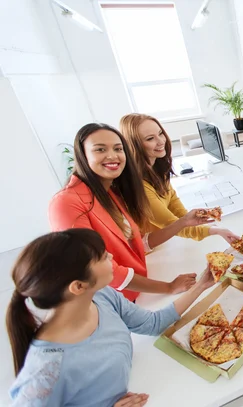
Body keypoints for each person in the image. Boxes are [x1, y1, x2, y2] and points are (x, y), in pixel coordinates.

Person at [6, 228, 215, 406]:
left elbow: (152, 324)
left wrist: (201, 286)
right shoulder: (45, 370)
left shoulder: (102, 296)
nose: (112, 257)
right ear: (78, 286)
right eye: (104, 257)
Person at [49, 123, 211, 302]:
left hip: (138, 286)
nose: (112, 155)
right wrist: (168, 287)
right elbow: (97, 268)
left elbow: (138, 244)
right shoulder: (65, 203)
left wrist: (183, 221)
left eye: (118, 149)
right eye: (100, 149)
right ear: (83, 155)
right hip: (114, 301)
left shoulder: (111, 192)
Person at [119, 113, 238, 244]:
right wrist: (214, 231)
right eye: (150, 139)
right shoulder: (140, 188)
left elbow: (175, 206)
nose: (161, 141)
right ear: (134, 145)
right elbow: (172, 225)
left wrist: (206, 226)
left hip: (166, 242)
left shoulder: (157, 168)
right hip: (150, 251)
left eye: (160, 133)